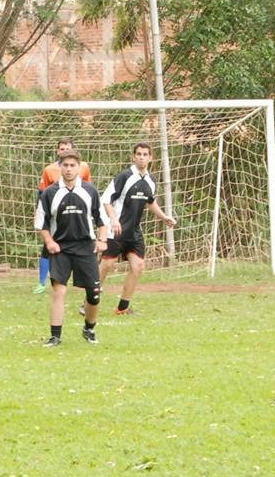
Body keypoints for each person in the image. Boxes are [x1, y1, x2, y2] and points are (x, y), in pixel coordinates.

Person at [35, 149, 108, 346]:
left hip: (85, 247)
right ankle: (55, 336)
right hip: (61, 249)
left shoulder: (90, 190)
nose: (68, 169)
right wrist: (49, 242)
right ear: (60, 168)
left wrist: (102, 240)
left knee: (93, 294)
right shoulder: (50, 193)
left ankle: (89, 328)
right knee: (59, 291)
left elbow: (102, 220)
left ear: (79, 167)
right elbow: (41, 223)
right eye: (65, 165)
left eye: (72, 166)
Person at [97, 142, 176, 315]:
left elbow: (150, 202)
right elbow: (106, 199)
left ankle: (122, 308)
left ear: (150, 158)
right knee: (107, 265)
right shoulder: (125, 176)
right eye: (138, 154)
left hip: (133, 231)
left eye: (145, 154)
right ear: (133, 157)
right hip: (115, 230)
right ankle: (89, 300)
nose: (141, 157)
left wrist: (164, 217)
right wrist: (113, 219)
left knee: (138, 266)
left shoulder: (151, 180)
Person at [33, 138, 92, 294]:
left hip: (77, 215)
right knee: (48, 247)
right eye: (62, 149)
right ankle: (41, 282)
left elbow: (87, 189)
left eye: (68, 148)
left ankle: (90, 283)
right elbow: (42, 194)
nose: (65, 151)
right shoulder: (49, 170)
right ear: (57, 151)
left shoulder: (84, 168)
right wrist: (38, 213)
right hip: (55, 216)